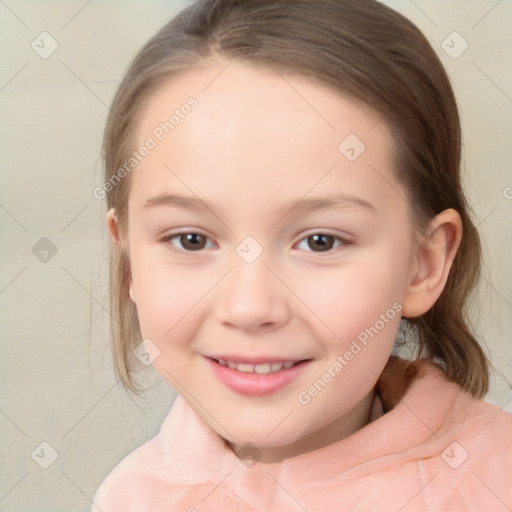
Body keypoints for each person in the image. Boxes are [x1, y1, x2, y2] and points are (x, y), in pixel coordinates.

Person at [91, 0, 512, 510]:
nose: (249, 308)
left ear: (423, 265)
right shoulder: (130, 498)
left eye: (320, 241)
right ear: (130, 257)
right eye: (192, 240)